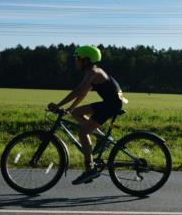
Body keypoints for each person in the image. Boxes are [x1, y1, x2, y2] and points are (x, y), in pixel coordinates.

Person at [47, 45, 127, 184]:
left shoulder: (93, 72)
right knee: (76, 112)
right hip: (110, 103)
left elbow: (78, 90)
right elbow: (83, 92)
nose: (75, 61)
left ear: (86, 60)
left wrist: (59, 105)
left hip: (111, 105)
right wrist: (70, 108)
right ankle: (103, 139)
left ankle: (90, 169)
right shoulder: (93, 72)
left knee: (83, 132)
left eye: (77, 59)